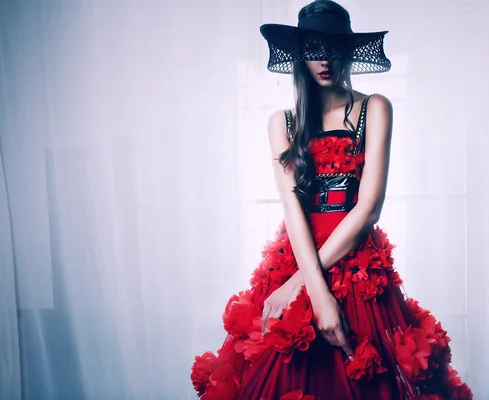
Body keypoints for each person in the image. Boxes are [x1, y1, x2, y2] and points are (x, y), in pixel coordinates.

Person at [191, 1, 473, 399]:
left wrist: (303, 285)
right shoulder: (281, 123)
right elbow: (292, 208)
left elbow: (369, 209)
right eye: (313, 48)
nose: (324, 59)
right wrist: (305, 285)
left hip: (355, 261)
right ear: (299, 55)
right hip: (298, 252)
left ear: (348, 49)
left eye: (334, 46)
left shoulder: (373, 108)